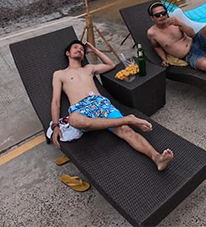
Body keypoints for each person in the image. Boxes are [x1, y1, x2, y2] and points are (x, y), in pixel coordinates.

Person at [51, 39, 174, 171]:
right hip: (81, 108)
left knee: (127, 130)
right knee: (74, 119)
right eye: (75, 47)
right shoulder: (59, 74)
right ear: (67, 53)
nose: (79, 50)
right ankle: (128, 118)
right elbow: (56, 101)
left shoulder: (89, 68)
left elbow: (111, 65)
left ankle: (157, 158)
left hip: (100, 103)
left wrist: (94, 50)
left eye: (81, 49)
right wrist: (56, 126)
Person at [146, 1, 206, 71]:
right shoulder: (152, 33)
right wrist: (164, 59)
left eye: (163, 13)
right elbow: (156, 46)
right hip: (189, 55)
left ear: (167, 13)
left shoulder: (174, 21)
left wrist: (181, 24)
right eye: (157, 15)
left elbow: (192, 34)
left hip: (195, 42)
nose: (161, 16)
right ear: (152, 18)